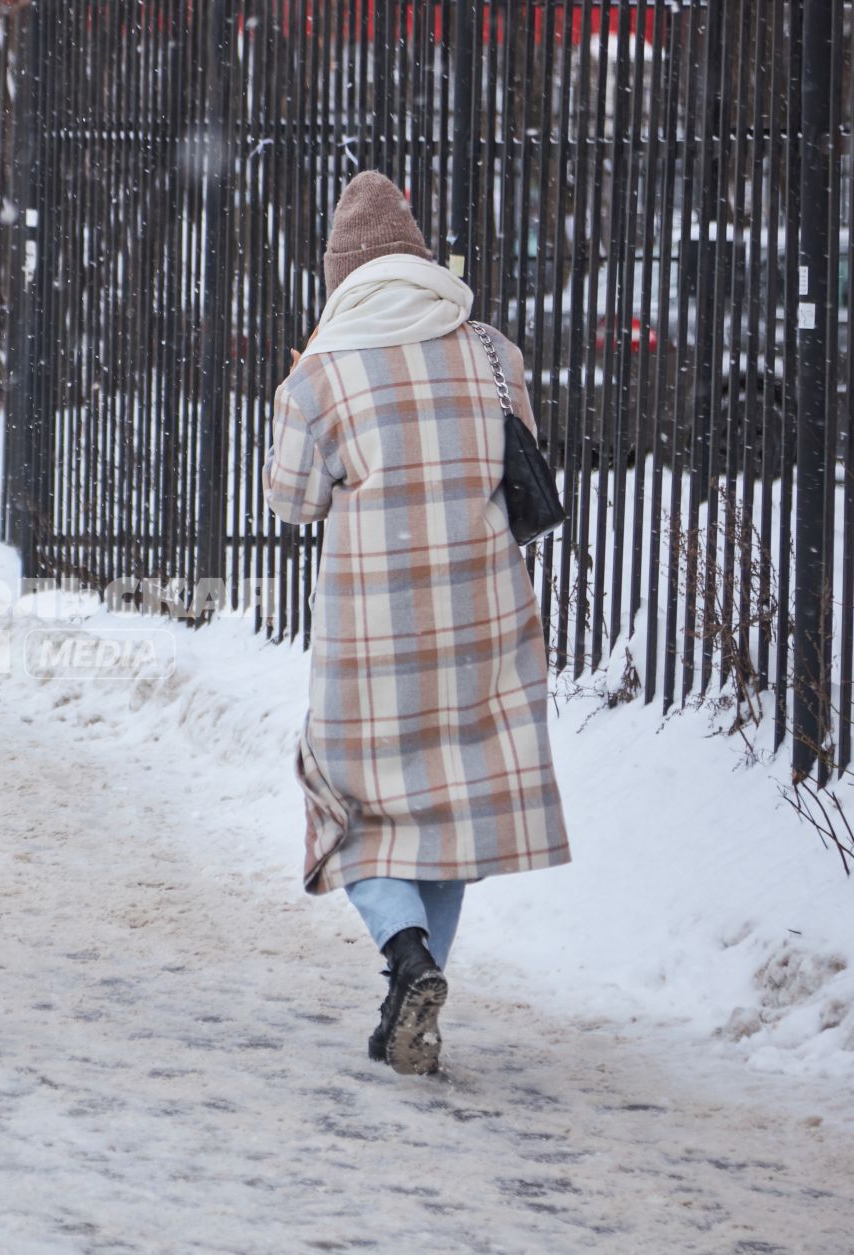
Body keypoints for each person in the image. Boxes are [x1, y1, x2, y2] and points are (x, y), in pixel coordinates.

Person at [265, 171, 570, 1077]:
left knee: (350, 805)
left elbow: (292, 500)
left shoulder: (321, 371)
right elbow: (517, 454)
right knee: (449, 812)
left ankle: (407, 958)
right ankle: (418, 988)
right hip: (485, 620)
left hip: (376, 630)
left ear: (341, 278)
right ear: (423, 261)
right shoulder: (491, 349)